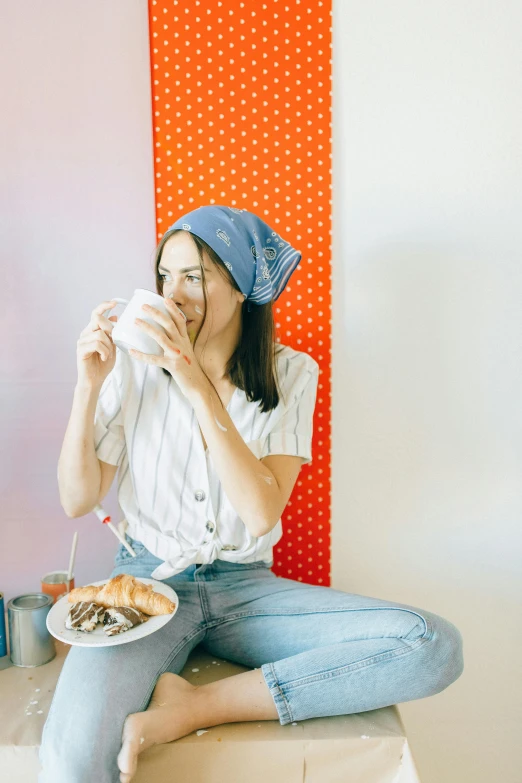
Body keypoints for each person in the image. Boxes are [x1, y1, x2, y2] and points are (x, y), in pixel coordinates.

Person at [40, 206, 464, 783]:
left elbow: (261, 510)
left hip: (247, 591)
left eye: (195, 276)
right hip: (147, 584)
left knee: (433, 644)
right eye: (166, 275)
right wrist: (87, 386)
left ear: (239, 288)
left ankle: (193, 707)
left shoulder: (290, 373)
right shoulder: (133, 370)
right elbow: (76, 497)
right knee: (69, 762)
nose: (174, 294)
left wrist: (193, 382)